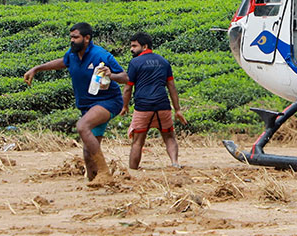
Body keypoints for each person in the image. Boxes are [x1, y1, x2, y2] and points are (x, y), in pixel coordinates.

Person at [23, 22, 128, 183]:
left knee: (82, 126)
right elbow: (62, 62)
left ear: (87, 38)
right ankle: (96, 182)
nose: (72, 40)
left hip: (108, 101)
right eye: (71, 37)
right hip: (86, 106)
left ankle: (104, 171)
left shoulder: (101, 55)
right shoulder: (72, 54)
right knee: (87, 153)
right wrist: (36, 69)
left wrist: (111, 75)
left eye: (75, 37)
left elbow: (126, 77)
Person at [121, 32, 187, 169]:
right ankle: (175, 163)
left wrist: (124, 106)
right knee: (169, 137)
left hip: (143, 107)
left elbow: (128, 88)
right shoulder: (163, 61)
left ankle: (133, 170)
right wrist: (178, 110)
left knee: (138, 141)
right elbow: (172, 87)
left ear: (144, 46)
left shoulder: (135, 63)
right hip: (163, 106)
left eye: (134, 46)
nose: (131, 49)